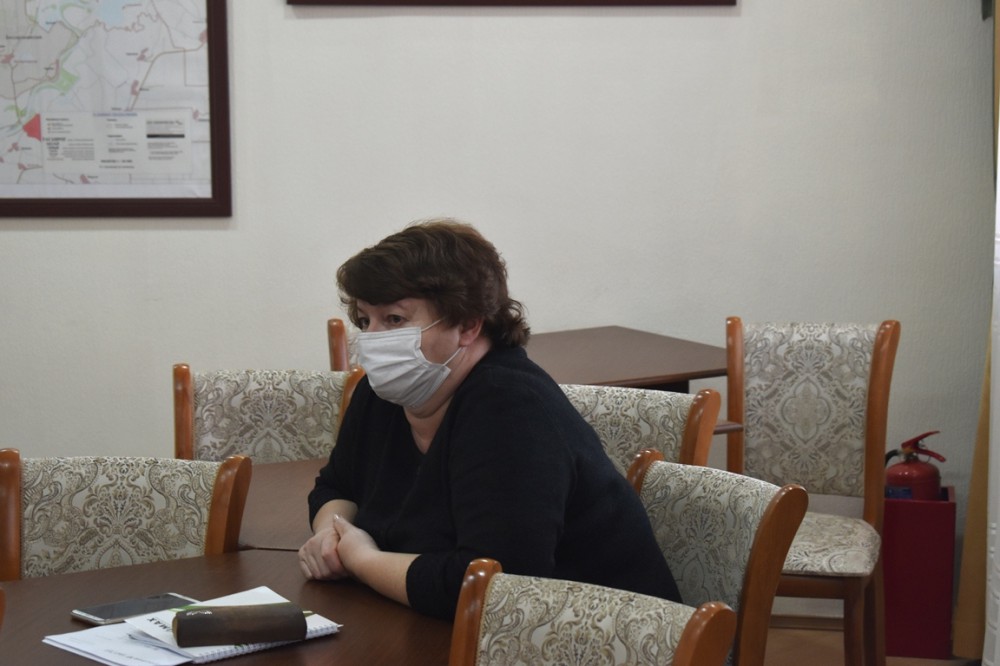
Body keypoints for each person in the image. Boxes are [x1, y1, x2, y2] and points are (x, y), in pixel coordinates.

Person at [298, 217, 681, 619]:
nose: (373, 340)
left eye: (394, 320)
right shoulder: (384, 393)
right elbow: (336, 486)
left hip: (599, 633)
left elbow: (493, 586)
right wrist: (331, 535)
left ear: (467, 325)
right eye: (365, 321)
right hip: (438, 626)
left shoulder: (511, 409)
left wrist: (362, 560)